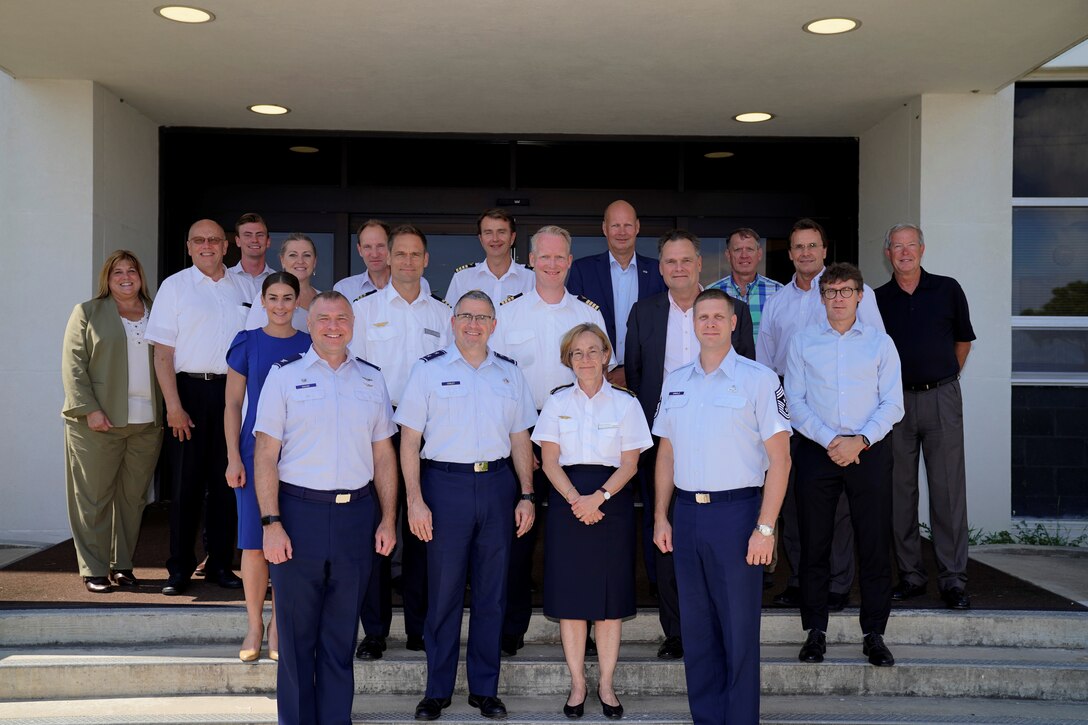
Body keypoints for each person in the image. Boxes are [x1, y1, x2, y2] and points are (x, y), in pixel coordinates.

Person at [253, 291, 398, 725]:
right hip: (298, 516)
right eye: (323, 319)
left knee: (340, 636)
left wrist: (388, 518)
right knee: (297, 640)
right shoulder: (283, 376)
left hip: (356, 516)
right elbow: (264, 454)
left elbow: (384, 456)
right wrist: (271, 522)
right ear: (309, 323)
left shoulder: (372, 379)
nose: (333, 326)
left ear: (353, 323)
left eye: (341, 319)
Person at [395, 290, 537, 721]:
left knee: (493, 594)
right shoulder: (427, 371)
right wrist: (414, 501)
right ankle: (436, 691)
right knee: (444, 594)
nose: (473, 324)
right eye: (465, 317)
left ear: (494, 325)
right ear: (452, 322)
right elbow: (409, 441)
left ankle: (484, 690)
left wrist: (527, 494)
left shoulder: (510, 374)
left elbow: (520, 440)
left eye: (482, 318)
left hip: (497, 486)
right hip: (443, 486)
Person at [652, 288, 791, 725]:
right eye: (702, 317)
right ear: (692, 325)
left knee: (738, 631)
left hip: (738, 516)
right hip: (688, 515)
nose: (709, 323)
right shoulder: (675, 381)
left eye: (718, 316)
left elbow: (781, 459)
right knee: (697, 629)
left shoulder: (759, 379)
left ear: (734, 323)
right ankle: (707, 718)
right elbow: (666, 455)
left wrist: (765, 528)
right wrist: (661, 515)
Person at [624, 229, 755, 660]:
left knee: (722, 539)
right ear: (660, 268)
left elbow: (747, 368)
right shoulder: (643, 312)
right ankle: (676, 629)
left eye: (686, 261)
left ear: (701, 264)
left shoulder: (727, 310)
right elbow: (638, 377)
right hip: (663, 443)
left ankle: (716, 621)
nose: (678, 268)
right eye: (669, 262)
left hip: (722, 446)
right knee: (663, 531)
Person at [493, 224, 613, 657]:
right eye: (544, 257)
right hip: (522, 434)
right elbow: (500, 380)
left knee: (582, 534)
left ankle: (594, 624)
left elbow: (601, 377)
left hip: (576, 439)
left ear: (570, 260)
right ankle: (512, 627)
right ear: (530, 260)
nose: (551, 264)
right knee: (517, 536)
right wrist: (522, 440)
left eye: (560, 257)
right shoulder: (507, 313)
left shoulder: (587, 313)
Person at [757, 218, 884, 609]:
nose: (806, 253)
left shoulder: (851, 292)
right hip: (792, 410)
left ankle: (838, 582)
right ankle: (800, 578)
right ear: (790, 253)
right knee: (794, 498)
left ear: (824, 250)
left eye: (813, 246)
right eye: (798, 247)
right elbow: (765, 361)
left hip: (844, 416)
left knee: (843, 505)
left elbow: (876, 350)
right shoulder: (778, 301)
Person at [786, 263, 903, 668]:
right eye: (831, 291)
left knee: (872, 544)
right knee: (814, 544)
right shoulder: (802, 342)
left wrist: (860, 441)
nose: (838, 298)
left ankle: (874, 634)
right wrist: (831, 440)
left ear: (859, 296)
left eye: (846, 291)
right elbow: (794, 402)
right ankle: (815, 632)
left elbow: (893, 403)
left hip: (868, 451)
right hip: (818, 450)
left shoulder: (879, 343)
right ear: (822, 298)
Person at [532, 323, 652, 720]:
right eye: (576, 353)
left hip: (610, 502)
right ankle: (578, 684)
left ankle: (606, 683)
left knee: (608, 604)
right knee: (571, 603)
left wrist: (597, 498)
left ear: (606, 356)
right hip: (568, 501)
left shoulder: (626, 404)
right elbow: (549, 461)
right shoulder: (555, 403)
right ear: (568, 359)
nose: (585, 359)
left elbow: (632, 463)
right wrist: (575, 500)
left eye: (592, 351)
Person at [350, 223, 451, 659]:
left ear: (427, 260)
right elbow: (351, 369)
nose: (408, 261)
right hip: (378, 431)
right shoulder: (365, 310)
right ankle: (375, 631)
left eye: (416, 254)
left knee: (423, 534)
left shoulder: (444, 314)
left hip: (430, 434)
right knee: (377, 529)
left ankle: (418, 626)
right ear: (387, 258)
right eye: (401, 254)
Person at [875, 223, 976, 610]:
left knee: (949, 491)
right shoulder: (877, 299)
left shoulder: (948, 288)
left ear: (922, 249)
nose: (904, 252)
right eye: (896, 247)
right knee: (900, 492)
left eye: (910, 245)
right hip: (894, 404)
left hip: (941, 398)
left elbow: (963, 341)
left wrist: (944, 375)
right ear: (888, 253)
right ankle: (912, 576)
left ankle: (953, 580)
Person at [147, 219, 249, 596]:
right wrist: (172, 405)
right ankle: (179, 568)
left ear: (226, 247)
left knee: (226, 484)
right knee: (186, 485)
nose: (207, 245)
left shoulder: (245, 288)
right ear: (189, 247)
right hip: (188, 392)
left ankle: (221, 564)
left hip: (232, 395)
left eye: (214, 240)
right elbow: (162, 353)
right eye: (199, 240)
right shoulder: (174, 287)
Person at [61, 250, 163, 593]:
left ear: (140, 276)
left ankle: (122, 565)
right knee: (94, 497)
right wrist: (89, 408)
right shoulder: (88, 312)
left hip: (147, 423)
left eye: (131, 270)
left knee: (133, 498)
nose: (125, 277)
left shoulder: (157, 311)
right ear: (107, 277)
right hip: (97, 422)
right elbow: (74, 366)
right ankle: (94, 568)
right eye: (117, 271)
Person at [224, 272, 312, 662]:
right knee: (256, 543)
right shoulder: (247, 343)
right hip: (254, 452)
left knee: (291, 543)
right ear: (262, 300)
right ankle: (255, 625)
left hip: (300, 454)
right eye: (273, 297)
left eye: (287, 297)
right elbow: (230, 405)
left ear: (298, 302)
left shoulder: (311, 344)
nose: (280, 304)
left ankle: (280, 623)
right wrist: (232, 457)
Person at [567, 200, 667, 387]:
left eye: (627, 225)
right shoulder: (582, 270)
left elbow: (662, 330)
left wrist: (631, 371)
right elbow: (575, 328)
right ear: (605, 228)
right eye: (615, 225)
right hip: (596, 377)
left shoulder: (658, 271)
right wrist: (603, 367)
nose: (622, 232)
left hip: (647, 379)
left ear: (637, 227)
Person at [444, 208, 535, 307]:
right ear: (481, 239)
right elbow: (451, 319)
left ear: (512, 237)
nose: (495, 239)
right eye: (488, 233)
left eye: (501, 232)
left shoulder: (532, 278)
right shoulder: (463, 278)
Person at [706, 227, 784, 341]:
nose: (744, 255)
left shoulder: (778, 292)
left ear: (759, 254)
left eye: (750, 249)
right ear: (728, 255)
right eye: (738, 250)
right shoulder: (712, 292)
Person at [245, 234, 320, 332]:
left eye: (307, 255)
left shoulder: (323, 298)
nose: (300, 261)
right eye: (293, 255)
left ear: (314, 261)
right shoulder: (269, 296)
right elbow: (253, 339)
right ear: (282, 260)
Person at [334, 219, 393, 302]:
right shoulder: (344, 289)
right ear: (359, 250)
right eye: (367, 247)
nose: (374, 254)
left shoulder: (412, 286)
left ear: (391, 247)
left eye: (380, 246)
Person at [228, 212, 275, 300]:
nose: (254, 240)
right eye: (248, 235)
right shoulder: (225, 279)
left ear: (268, 241)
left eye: (260, 235)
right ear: (238, 241)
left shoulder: (279, 281)